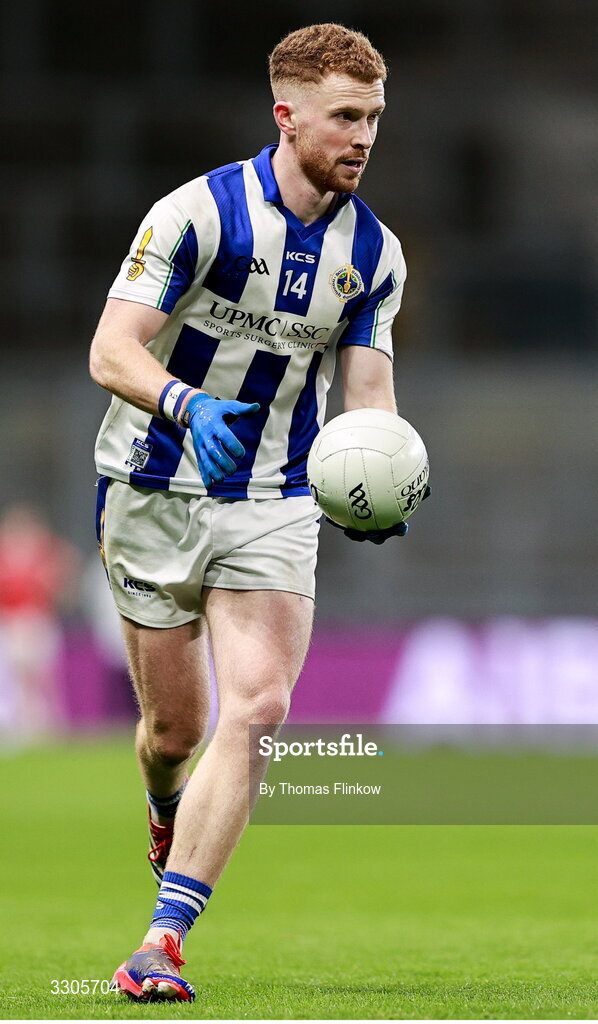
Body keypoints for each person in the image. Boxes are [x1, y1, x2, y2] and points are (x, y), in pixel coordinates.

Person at [90, 22, 407, 1003]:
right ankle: (162, 800)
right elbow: (112, 349)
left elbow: (369, 396)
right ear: (288, 115)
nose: (363, 137)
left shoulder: (373, 254)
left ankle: (162, 938)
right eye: (345, 117)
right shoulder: (195, 214)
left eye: (374, 118)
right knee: (172, 731)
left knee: (260, 707)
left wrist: (378, 473)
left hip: (271, 498)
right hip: (150, 488)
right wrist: (187, 407)